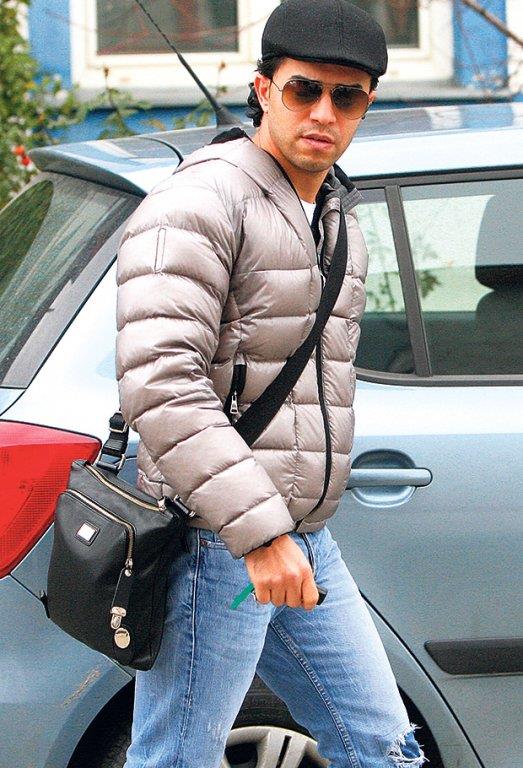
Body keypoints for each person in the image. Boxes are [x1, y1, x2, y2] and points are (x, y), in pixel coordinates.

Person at [116, 1, 427, 766]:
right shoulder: (200, 201)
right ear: (262, 90)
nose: (323, 113)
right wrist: (257, 535)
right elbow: (160, 382)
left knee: (383, 751)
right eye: (303, 90)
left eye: (345, 96)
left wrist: (281, 534)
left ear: (366, 106)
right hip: (215, 542)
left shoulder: (332, 210)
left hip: (302, 538)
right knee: (177, 758)